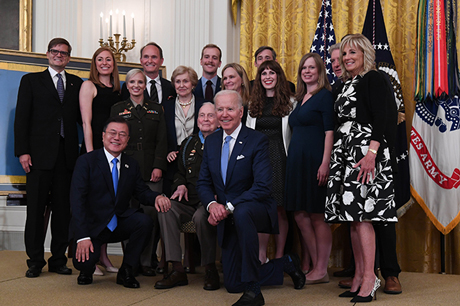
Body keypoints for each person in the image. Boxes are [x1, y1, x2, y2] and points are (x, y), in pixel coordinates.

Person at [197, 90, 305, 306]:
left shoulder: (257, 140)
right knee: (233, 284)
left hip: (256, 209)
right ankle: (285, 263)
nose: (224, 114)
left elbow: (263, 187)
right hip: (227, 215)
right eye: (220, 109)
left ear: (240, 112)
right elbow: (204, 183)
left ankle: (254, 291)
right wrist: (212, 205)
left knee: (243, 210)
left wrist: (227, 206)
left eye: (229, 109)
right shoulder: (211, 142)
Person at [325, 34, 397, 303]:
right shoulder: (344, 84)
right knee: (352, 217)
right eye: (344, 54)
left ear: (365, 53)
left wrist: (372, 154)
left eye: (353, 52)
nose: (347, 58)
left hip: (365, 151)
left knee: (364, 216)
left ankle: (370, 277)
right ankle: (358, 277)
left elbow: (382, 116)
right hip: (345, 151)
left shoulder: (373, 78)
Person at [70, 116, 171, 287]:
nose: (117, 138)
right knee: (83, 262)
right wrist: (82, 237)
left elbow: (141, 191)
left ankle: (126, 271)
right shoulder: (86, 162)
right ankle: (87, 270)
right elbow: (77, 201)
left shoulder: (131, 164)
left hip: (117, 221)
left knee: (144, 222)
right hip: (93, 226)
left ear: (128, 140)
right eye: (113, 133)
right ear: (103, 136)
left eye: (122, 134)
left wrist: (157, 197)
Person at [14, 38, 83, 278]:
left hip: (67, 158)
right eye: (55, 51)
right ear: (47, 54)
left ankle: (57, 260)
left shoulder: (76, 83)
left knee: (63, 211)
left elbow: (84, 120)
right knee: (35, 211)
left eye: (64, 53)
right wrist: (23, 151)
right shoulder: (31, 81)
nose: (59, 55)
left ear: (69, 57)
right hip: (38, 157)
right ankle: (34, 261)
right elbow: (21, 119)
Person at [155, 103, 219, 291]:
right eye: (202, 115)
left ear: (218, 119)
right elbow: (179, 173)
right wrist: (180, 184)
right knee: (166, 209)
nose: (205, 119)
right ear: (196, 120)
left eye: (210, 115)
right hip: (188, 199)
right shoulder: (188, 143)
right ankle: (177, 269)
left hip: (210, 201)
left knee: (201, 217)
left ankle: (209, 268)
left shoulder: (223, 141)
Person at [111, 69, 168, 277]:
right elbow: (114, 141)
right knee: (127, 215)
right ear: (127, 85)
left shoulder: (155, 109)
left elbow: (162, 140)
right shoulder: (118, 108)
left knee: (151, 216)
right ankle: (130, 262)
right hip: (126, 170)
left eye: (140, 82)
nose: (136, 85)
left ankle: (146, 261)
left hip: (151, 170)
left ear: (145, 85)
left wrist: (158, 166)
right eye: (132, 82)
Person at [285, 53, 334, 284]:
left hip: (315, 161)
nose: (307, 71)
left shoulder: (324, 96)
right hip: (296, 162)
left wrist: (326, 162)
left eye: (311, 67)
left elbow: (329, 132)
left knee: (317, 215)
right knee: (300, 215)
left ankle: (321, 268)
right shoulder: (300, 97)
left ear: (320, 71)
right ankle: (317, 267)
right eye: (304, 67)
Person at [79, 47, 122, 276]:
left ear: (114, 64)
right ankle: (91, 258)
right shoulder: (89, 86)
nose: (104, 63)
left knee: (107, 205)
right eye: (100, 59)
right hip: (94, 152)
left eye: (109, 59)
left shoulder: (118, 90)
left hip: (113, 154)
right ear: (94, 64)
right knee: (92, 207)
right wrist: (90, 155)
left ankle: (104, 256)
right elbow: (86, 123)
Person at [247, 60, 295, 264]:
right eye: (263, 73)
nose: (267, 76)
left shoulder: (290, 102)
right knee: (261, 207)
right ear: (259, 78)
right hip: (258, 159)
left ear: (278, 77)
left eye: (272, 73)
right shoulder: (252, 104)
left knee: (279, 208)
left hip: (280, 157)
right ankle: (261, 255)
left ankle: (279, 256)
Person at [163, 66, 205, 196]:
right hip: (173, 159)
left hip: (198, 158)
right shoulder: (166, 107)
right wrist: (168, 150)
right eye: (178, 81)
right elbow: (162, 134)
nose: (181, 85)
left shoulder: (204, 105)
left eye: (185, 81)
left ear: (193, 84)